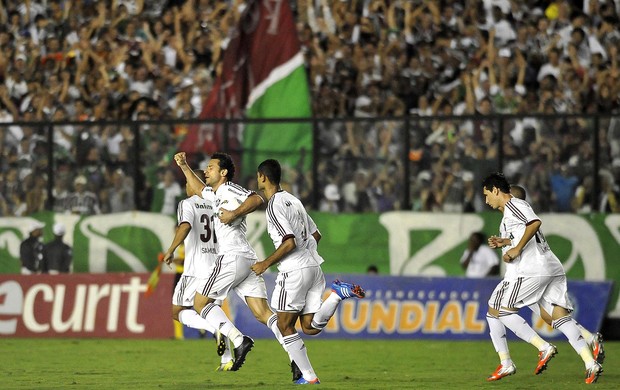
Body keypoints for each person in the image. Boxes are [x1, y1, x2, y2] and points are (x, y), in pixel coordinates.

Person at [220, 159, 366, 384]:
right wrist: (307, 256)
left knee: (284, 325)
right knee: (309, 327)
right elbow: (316, 234)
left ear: (262, 177)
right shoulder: (293, 200)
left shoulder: (274, 205)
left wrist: (265, 263)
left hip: (295, 271)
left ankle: (309, 377)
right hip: (314, 268)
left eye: (258, 176)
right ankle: (337, 295)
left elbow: (289, 242)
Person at [483, 173, 603, 384]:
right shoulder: (509, 218)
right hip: (550, 267)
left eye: (486, 194)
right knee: (558, 317)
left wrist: (516, 249)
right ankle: (590, 361)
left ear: (495, 190)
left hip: (531, 270)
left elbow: (535, 222)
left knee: (501, 311)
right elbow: (519, 233)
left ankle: (540, 348)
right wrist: (505, 242)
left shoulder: (515, 205)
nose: (486, 200)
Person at [173, 151, 287, 373]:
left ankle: (238, 339)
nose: (206, 171)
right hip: (246, 260)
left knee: (200, 303)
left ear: (223, 173)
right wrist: (184, 166)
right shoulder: (215, 194)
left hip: (233, 257)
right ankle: (296, 356)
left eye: (211, 167)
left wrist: (234, 213)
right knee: (263, 313)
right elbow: (197, 189)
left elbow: (257, 198)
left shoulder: (228, 188)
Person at [510, 185, 605, 365]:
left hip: (534, 272)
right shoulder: (525, 216)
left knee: (504, 309)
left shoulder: (516, 218)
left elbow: (518, 248)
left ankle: (585, 357)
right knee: (552, 317)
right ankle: (590, 340)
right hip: (546, 268)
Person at [161, 175, 233, 371]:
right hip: (218, 268)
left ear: (194, 184)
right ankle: (227, 360)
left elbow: (185, 226)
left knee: (177, 311)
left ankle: (213, 330)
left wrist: (171, 249)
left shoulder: (187, 203)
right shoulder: (218, 203)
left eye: (187, 182)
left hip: (195, 269)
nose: (186, 186)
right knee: (214, 312)